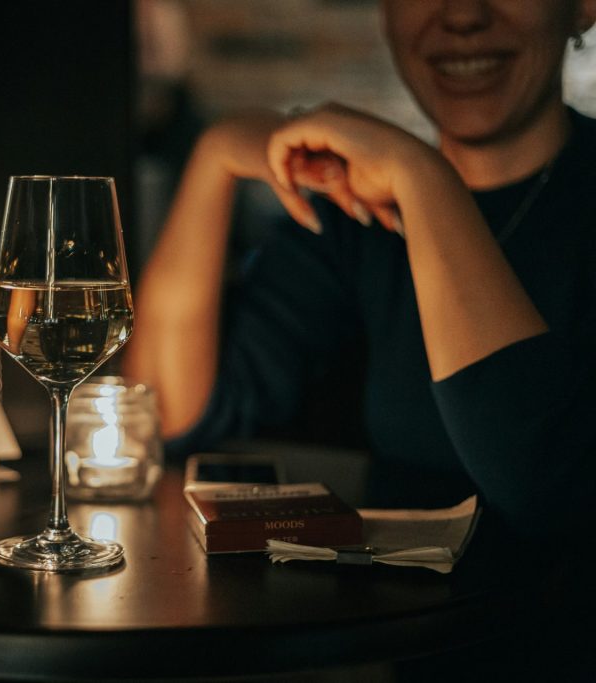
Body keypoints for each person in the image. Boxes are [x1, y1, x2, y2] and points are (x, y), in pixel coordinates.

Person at [126, 3, 596, 673]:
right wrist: (215, 157)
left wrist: (425, 177)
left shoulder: (410, 181)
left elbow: (543, 482)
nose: (461, 14)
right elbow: (163, 413)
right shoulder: (359, 214)